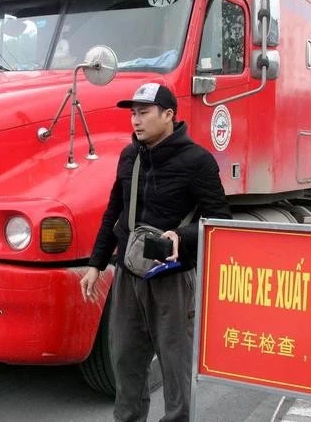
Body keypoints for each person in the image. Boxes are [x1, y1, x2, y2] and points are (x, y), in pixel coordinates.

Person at [79, 82, 231, 422]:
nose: (136, 120)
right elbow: (113, 210)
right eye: (133, 113)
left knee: (175, 368)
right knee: (126, 364)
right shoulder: (129, 156)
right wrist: (95, 264)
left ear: (168, 115)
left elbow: (220, 219)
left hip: (172, 281)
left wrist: (183, 236)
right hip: (129, 275)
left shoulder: (198, 161)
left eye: (144, 113)